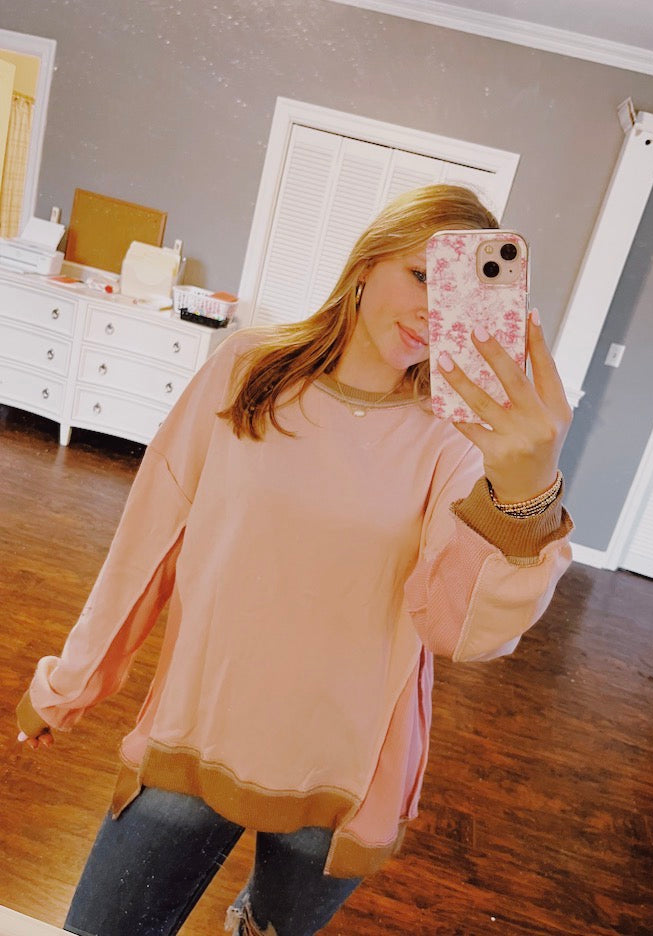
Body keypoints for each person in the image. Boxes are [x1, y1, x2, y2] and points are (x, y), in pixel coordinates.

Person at [16, 184, 574, 936]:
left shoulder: (456, 439)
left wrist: (526, 498)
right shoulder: (249, 367)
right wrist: (70, 682)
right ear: (368, 261)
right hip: (198, 729)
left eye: (455, 296)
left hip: (342, 768)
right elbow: (149, 541)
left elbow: (462, 629)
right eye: (420, 276)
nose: (432, 313)